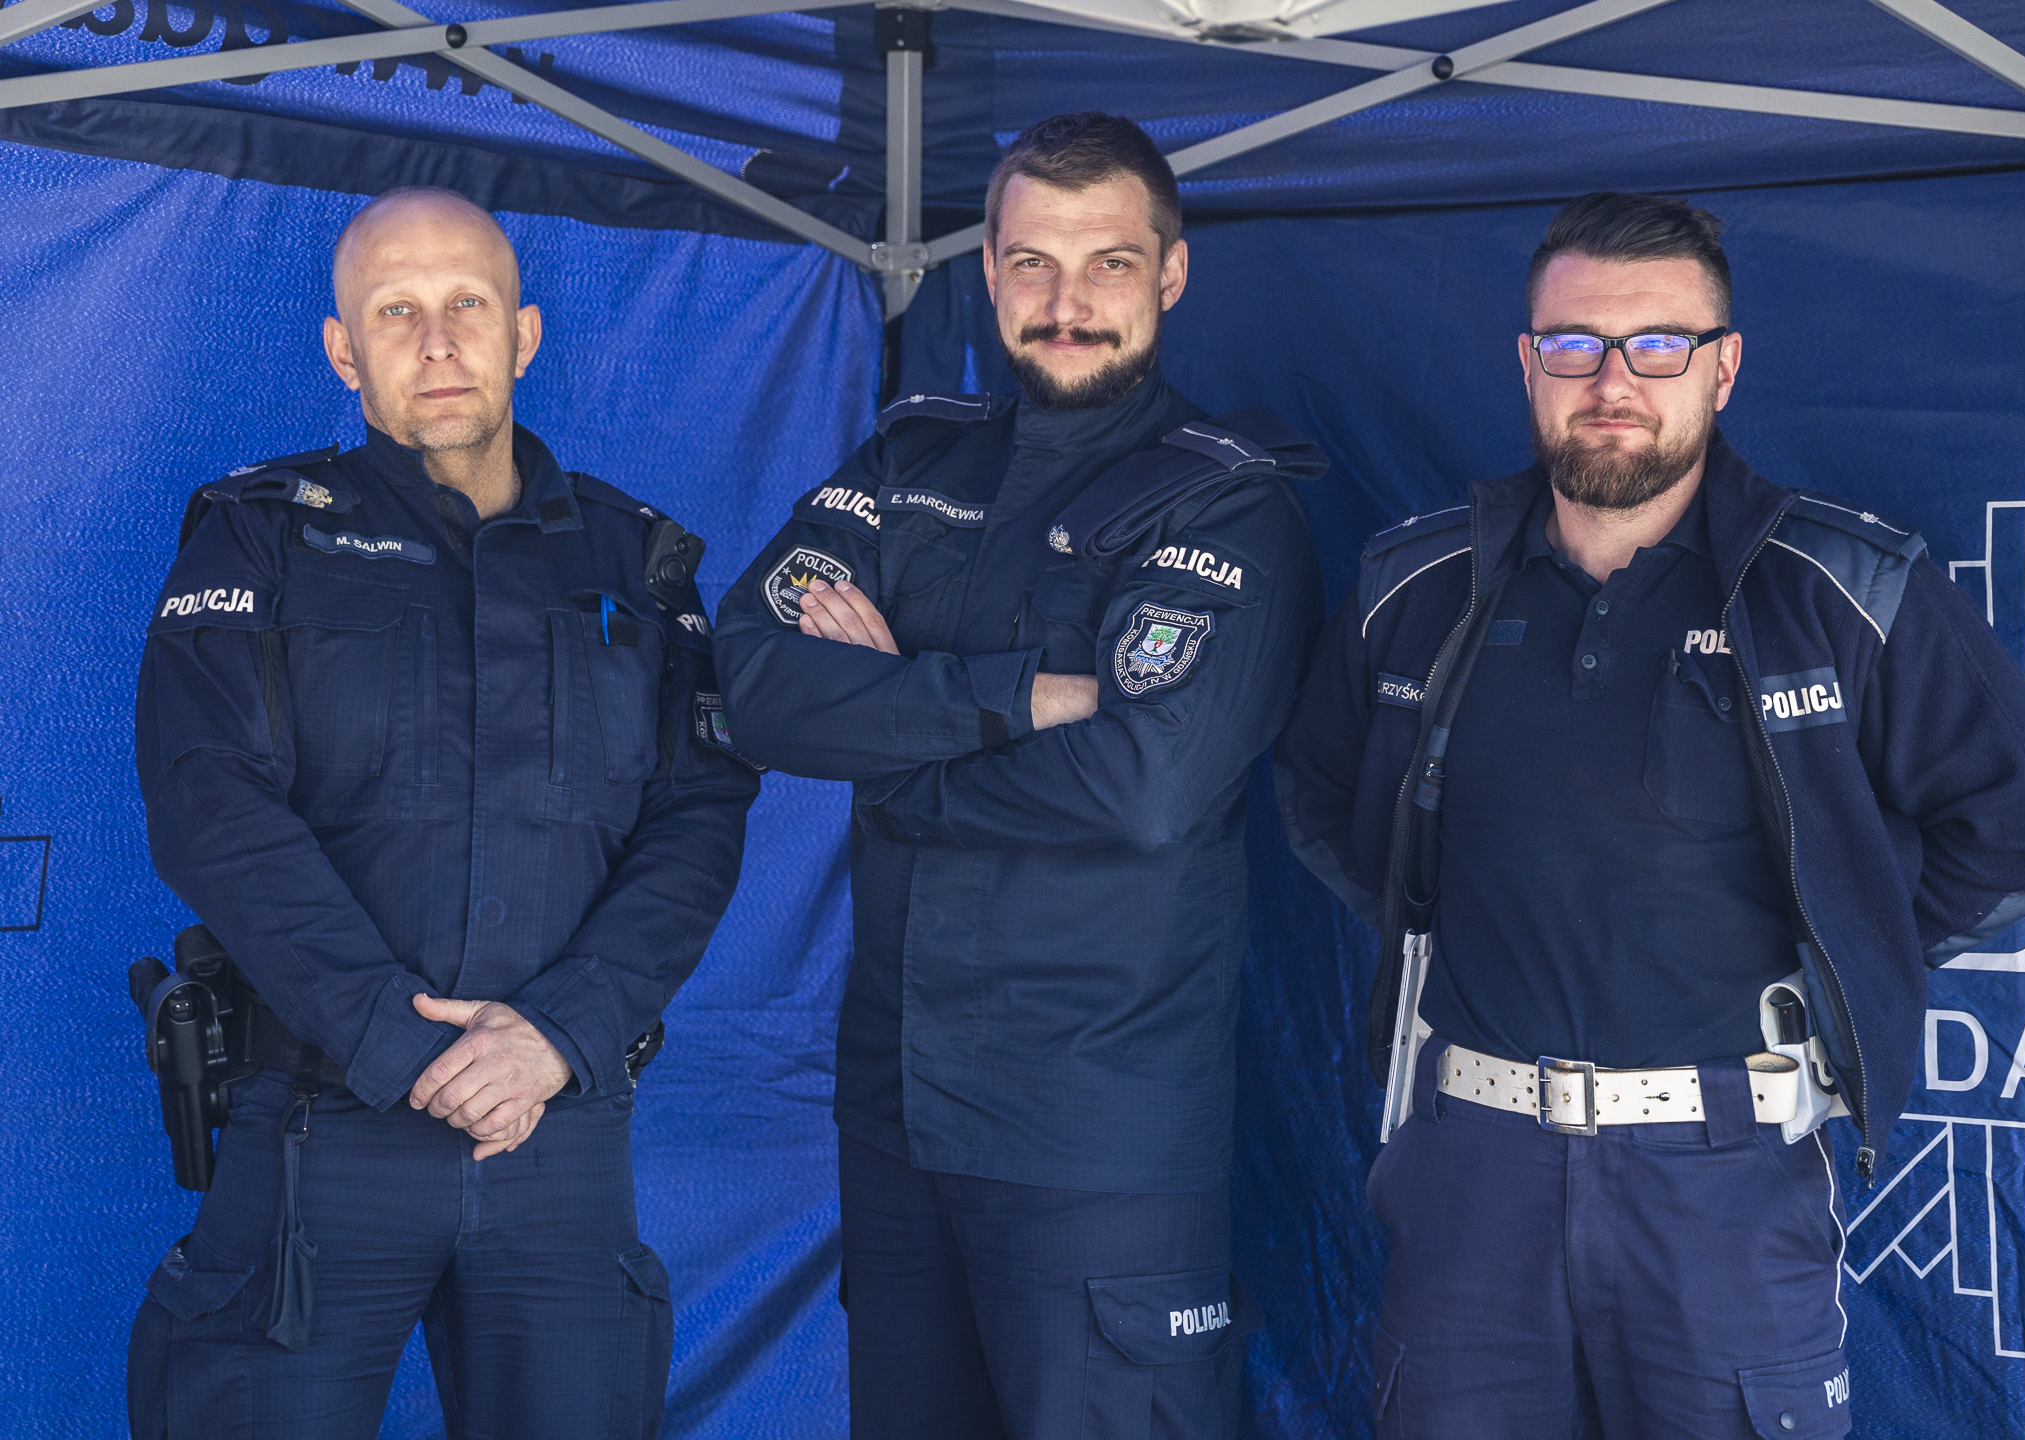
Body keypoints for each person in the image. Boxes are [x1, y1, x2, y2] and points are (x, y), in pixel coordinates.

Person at [1274, 191, 2025, 1439]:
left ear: (1723, 367)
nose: (1614, 379)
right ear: (1528, 363)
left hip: (1726, 1178)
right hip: (1471, 1175)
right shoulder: (1418, 583)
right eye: (1576, 344)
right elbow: (1322, 794)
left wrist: (1851, 937)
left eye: (1659, 344)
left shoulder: (1843, 586)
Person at [709, 111, 1325, 1438]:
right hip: (897, 1116)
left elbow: (1145, 788)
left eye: (1109, 264)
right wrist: (1012, 698)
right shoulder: (912, 458)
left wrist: (889, 747)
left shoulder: (1225, 505)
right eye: (1033, 263)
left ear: (1170, 274)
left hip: (1094, 1136)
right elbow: (752, 680)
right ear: (988, 271)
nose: (1066, 302)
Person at [127, 187, 758, 1439]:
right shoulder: (258, 540)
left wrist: (556, 1035)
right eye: (395, 311)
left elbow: (698, 821)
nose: (435, 341)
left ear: (523, 334)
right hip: (322, 1134)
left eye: (467, 303)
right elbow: (210, 808)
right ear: (342, 350)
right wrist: (402, 1045)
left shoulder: (637, 566)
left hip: (558, 1136)